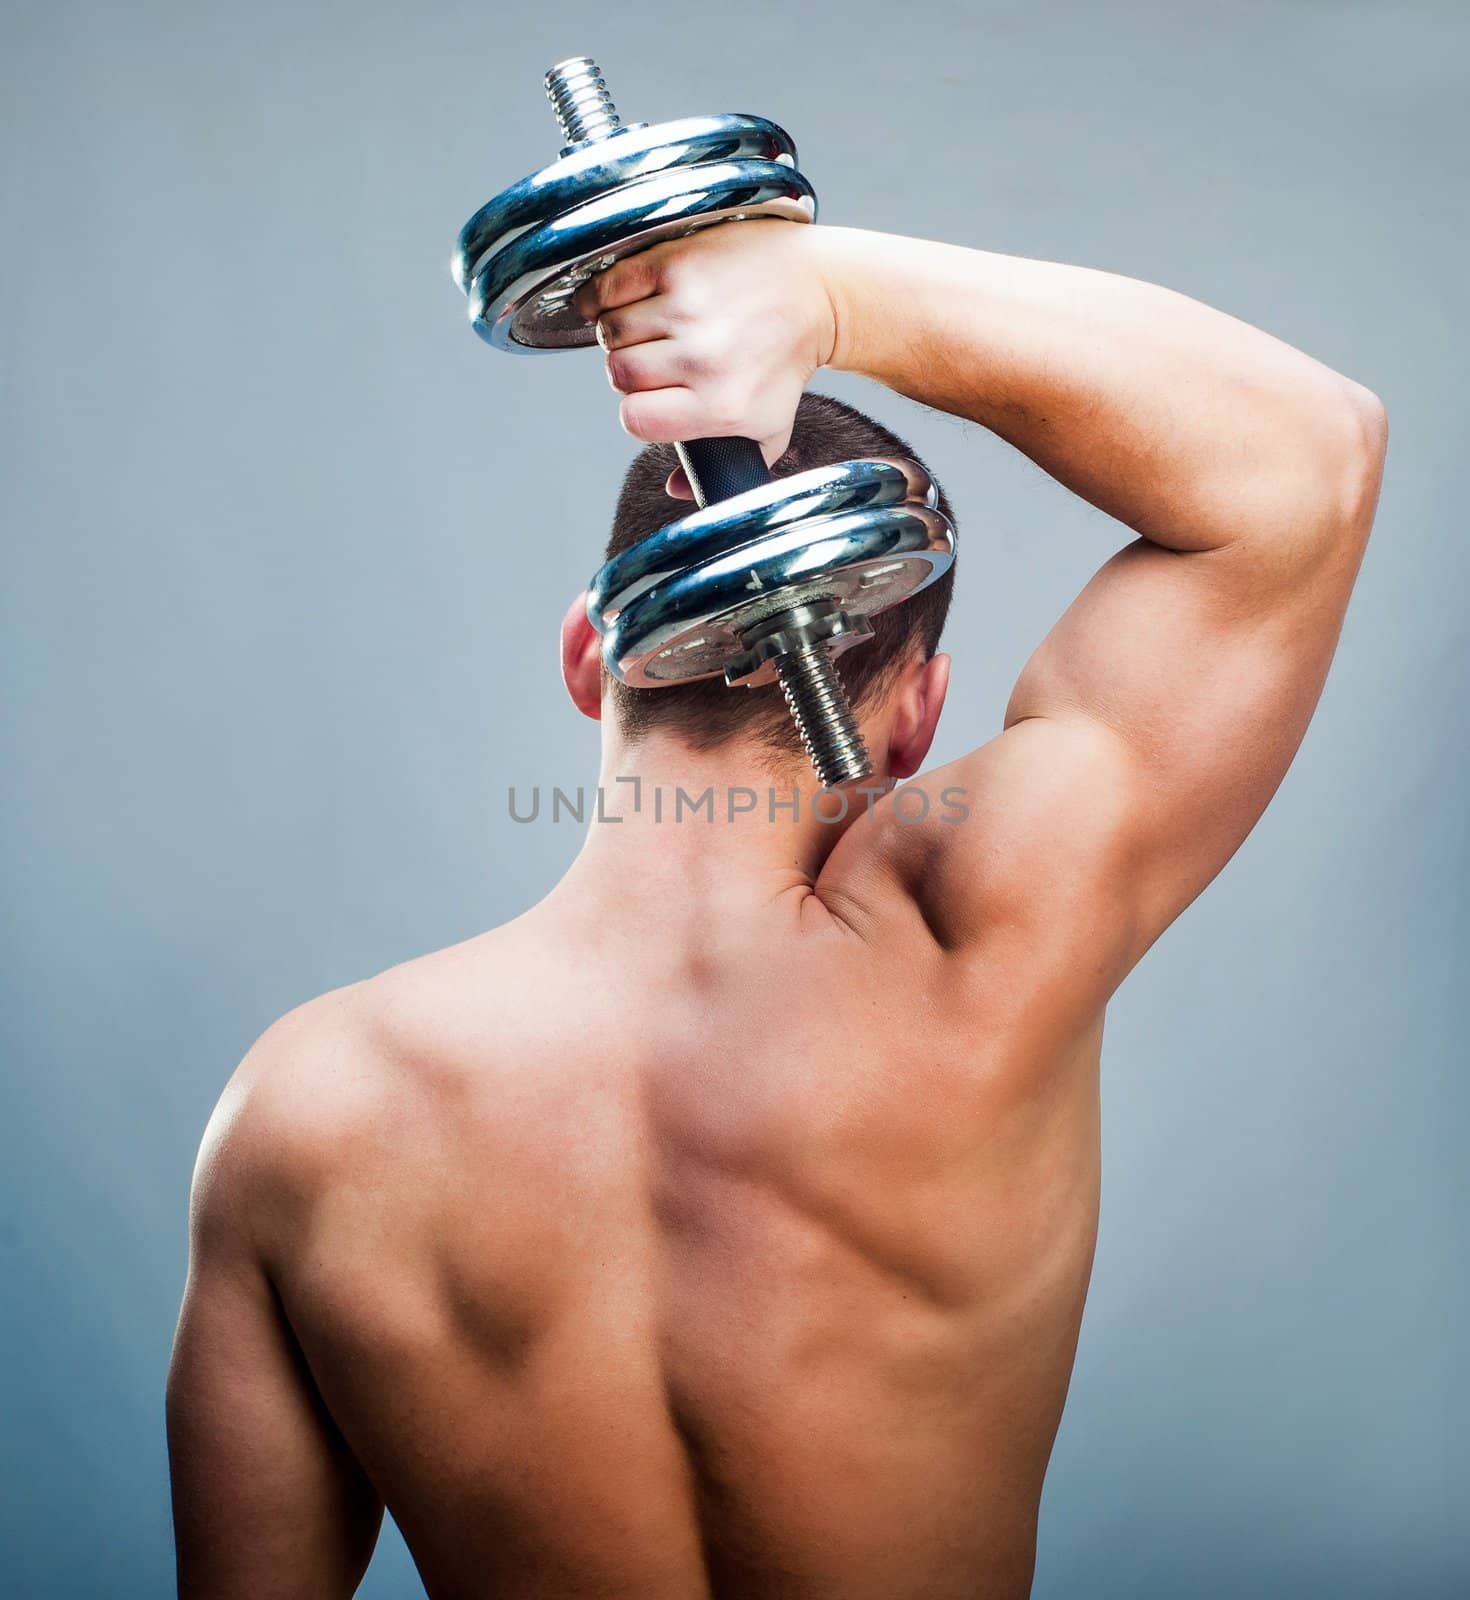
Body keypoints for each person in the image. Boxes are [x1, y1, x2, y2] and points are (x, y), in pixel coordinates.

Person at [167, 221, 1386, 1599]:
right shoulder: (972, 950)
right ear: (917, 715)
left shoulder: (302, 1113)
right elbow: (1309, 458)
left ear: (588, 652)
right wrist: (824, 292)